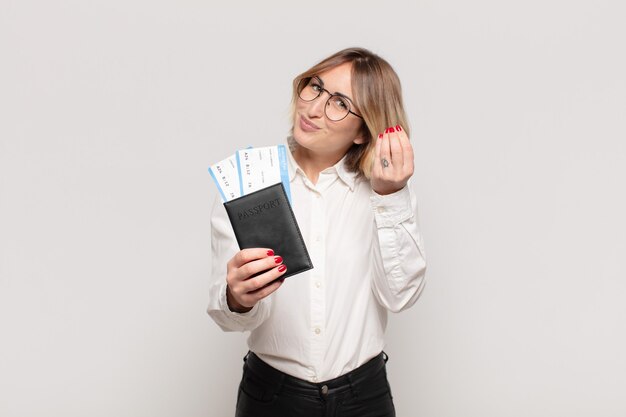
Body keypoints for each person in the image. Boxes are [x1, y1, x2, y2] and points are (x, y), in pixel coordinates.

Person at [207, 47, 427, 417]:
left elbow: (401, 297)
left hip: (364, 397)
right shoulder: (250, 180)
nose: (312, 108)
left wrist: (391, 197)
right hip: (272, 396)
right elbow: (230, 316)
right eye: (315, 88)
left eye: (340, 103)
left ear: (363, 131)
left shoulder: (383, 193)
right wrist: (237, 297)